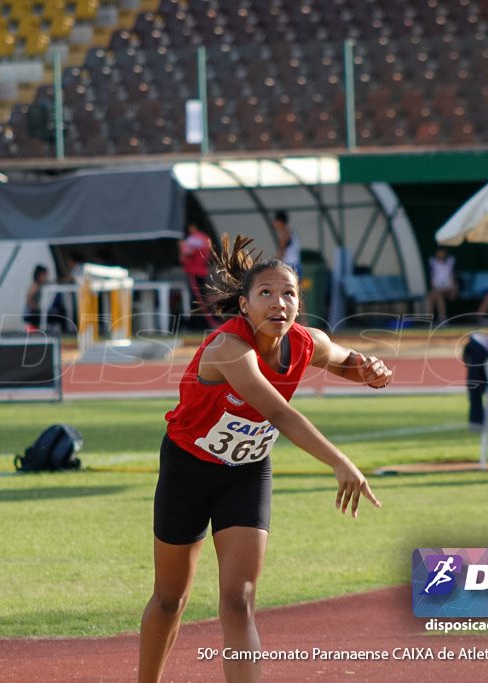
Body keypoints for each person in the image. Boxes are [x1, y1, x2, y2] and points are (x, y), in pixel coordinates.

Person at [138, 235, 391, 683]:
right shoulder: (228, 349)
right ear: (245, 306)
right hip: (188, 469)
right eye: (266, 294)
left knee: (239, 600)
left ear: (299, 302)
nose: (279, 303)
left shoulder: (308, 341)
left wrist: (371, 372)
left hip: (247, 473)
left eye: (289, 294)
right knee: (170, 599)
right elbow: (277, 411)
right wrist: (339, 460)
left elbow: (348, 361)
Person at [179, 222, 218, 329]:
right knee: (199, 297)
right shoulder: (205, 239)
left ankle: (210, 322)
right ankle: (196, 323)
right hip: (202, 270)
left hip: (194, 271)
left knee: (199, 298)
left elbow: (186, 253)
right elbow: (208, 255)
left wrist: (182, 252)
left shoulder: (192, 239)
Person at [426, 246, 458, 323]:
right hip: (437, 288)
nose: (441, 254)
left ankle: (442, 318)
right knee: (432, 295)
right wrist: (434, 288)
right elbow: (432, 277)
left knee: (437, 294)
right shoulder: (432, 261)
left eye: (443, 253)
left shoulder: (450, 261)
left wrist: (454, 288)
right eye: (439, 253)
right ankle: (429, 318)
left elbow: (453, 276)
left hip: (449, 288)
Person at [272, 210, 301, 278]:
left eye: (275, 221)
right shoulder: (293, 233)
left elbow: (281, 253)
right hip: (297, 265)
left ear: (280, 221)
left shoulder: (284, 234)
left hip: (289, 266)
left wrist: (272, 264)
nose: (274, 224)